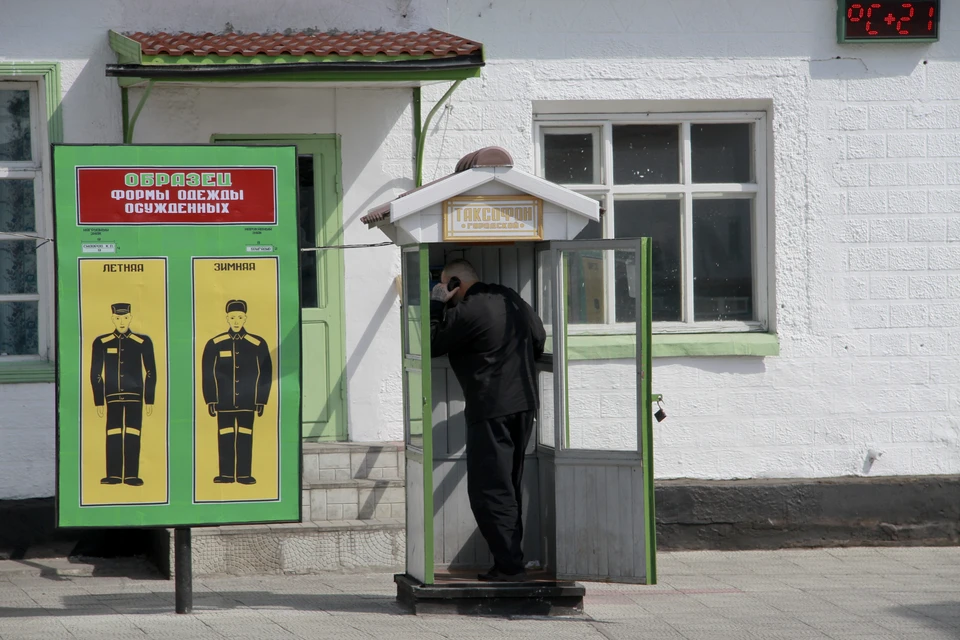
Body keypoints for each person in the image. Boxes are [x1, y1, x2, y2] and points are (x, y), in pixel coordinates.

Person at [430, 259, 546, 582]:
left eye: (445, 286)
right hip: (524, 404)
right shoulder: (512, 299)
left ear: (455, 284)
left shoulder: (467, 310)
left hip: (490, 408)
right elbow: (539, 336)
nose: (445, 292)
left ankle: (510, 566)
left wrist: (436, 304)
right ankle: (510, 560)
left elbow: (430, 342)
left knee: (489, 488)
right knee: (508, 484)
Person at [201, 300, 273, 485]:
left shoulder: (257, 343)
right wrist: (210, 399)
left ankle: (243, 475)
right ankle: (225, 475)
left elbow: (266, 372)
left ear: (245, 318)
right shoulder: (215, 343)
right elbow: (208, 372)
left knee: (245, 435)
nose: (236, 321)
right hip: (224, 401)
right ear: (227, 318)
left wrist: (261, 399)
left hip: (248, 400)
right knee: (225, 435)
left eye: (240, 317)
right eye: (232, 317)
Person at [90, 302, 157, 486]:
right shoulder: (102, 342)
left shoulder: (142, 342)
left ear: (130, 318)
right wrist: (98, 400)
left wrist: (149, 398)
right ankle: (113, 475)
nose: (121, 321)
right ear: (113, 318)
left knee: (133, 433)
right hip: (112, 396)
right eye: (118, 318)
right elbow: (96, 373)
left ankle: (131, 475)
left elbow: (150, 371)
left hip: (135, 397)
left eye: (125, 317)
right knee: (113, 433)